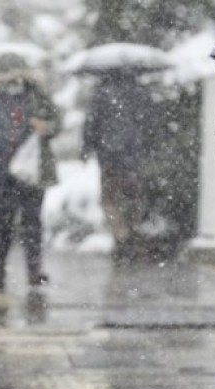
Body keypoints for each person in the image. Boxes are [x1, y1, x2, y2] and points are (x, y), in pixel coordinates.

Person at [0, 53, 60, 291]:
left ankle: (33, 271)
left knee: (32, 222)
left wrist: (46, 127)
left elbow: (56, 119)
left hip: (31, 171)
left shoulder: (37, 95)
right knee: (1, 223)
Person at [81, 71, 153, 264]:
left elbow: (91, 123)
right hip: (134, 157)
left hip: (109, 157)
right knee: (133, 198)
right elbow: (150, 122)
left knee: (110, 199)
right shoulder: (141, 91)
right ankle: (131, 234)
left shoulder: (101, 93)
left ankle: (121, 237)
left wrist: (87, 146)